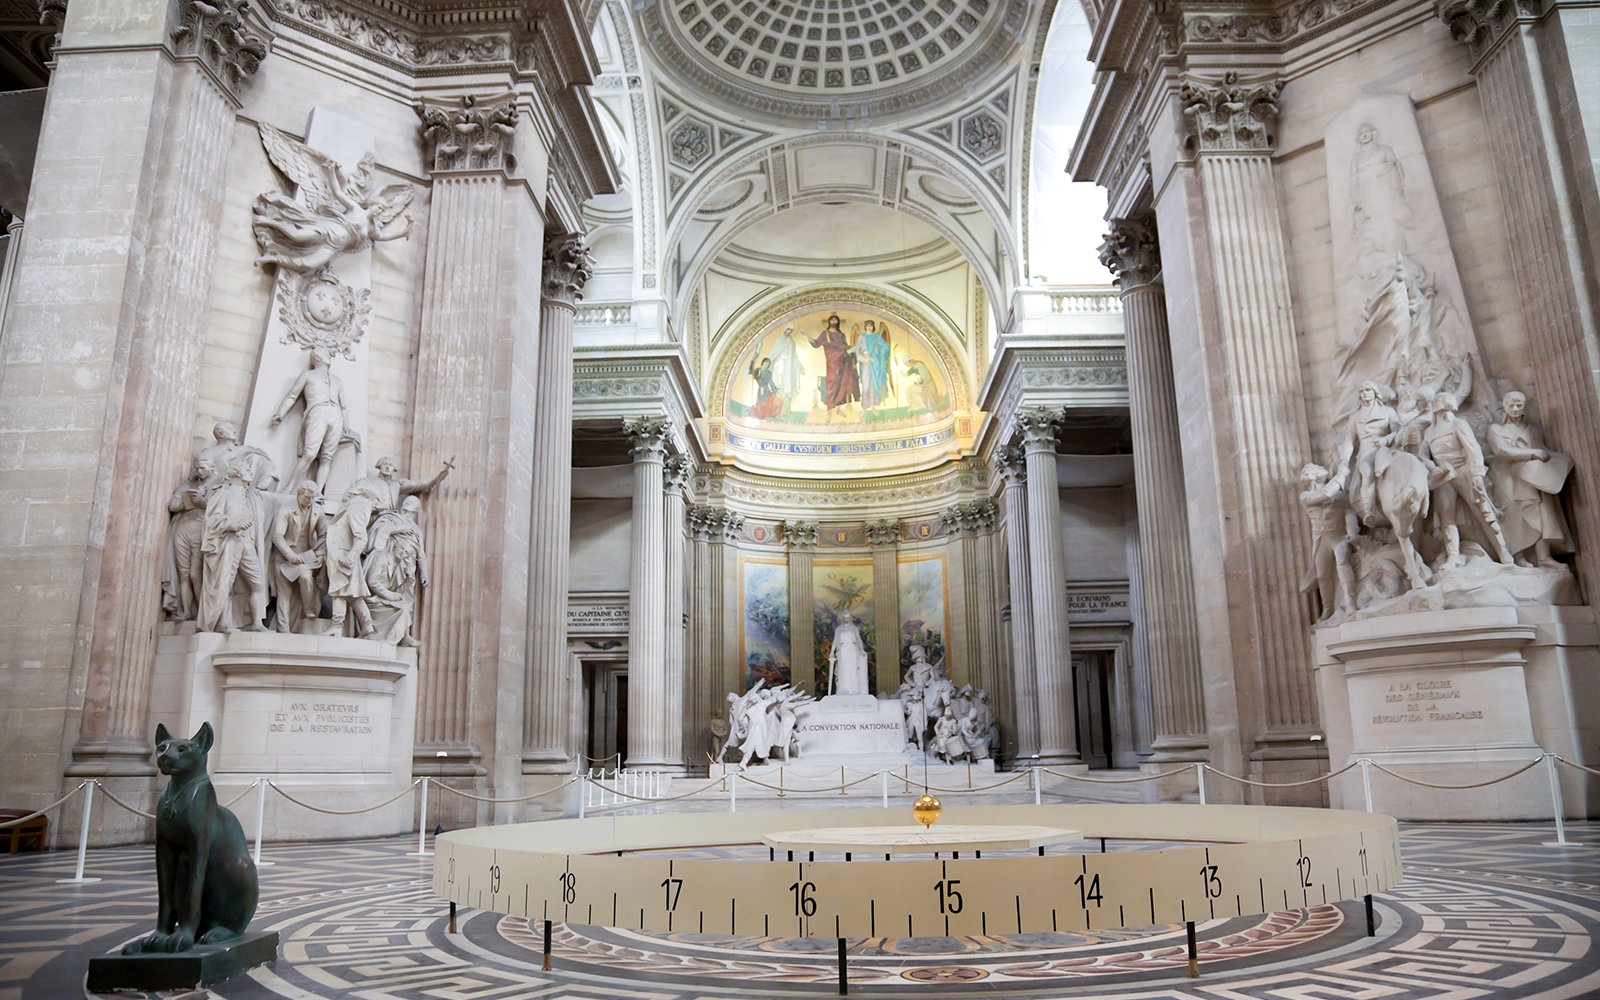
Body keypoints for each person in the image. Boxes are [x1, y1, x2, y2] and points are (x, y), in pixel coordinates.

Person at [1424, 392, 1514, 567]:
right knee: (1447, 518)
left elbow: (1473, 450)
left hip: (1463, 471)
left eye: (1437, 400)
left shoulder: (1458, 424)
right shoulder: (1429, 431)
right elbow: (1423, 453)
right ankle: (1453, 557)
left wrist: (1477, 474)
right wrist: (1432, 467)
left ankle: (1503, 551)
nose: (1434, 403)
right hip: (1444, 477)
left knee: (1483, 512)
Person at [1488, 391, 1572, 568]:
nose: (1515, 409)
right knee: (1514, 515)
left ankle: (1543, 556)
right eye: (1511, 405)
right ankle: (1519, 556)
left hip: (1530, 476)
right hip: (1507, 475)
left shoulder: (1531, 430)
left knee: (1539, 512)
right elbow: (1501, 451)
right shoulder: (1496, 429)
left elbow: (1542, 452)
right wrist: (1531, 453)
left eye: (1519, 405)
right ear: (1504, 406)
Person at [270, 348, 361, 491]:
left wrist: (346, 425)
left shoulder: (337, 381)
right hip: (318, 411)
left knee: (327, 457)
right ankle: (289, 486)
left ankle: (317, 492)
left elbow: (343, 406)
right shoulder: (308, 375)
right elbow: (292, 396)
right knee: (309, 454)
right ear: (317, 358)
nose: (329, 356)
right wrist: (280, 414)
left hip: (335, 415)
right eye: (325, 354)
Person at [199, 464, 269, 632]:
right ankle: (223, 622)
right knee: (226, 582)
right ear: (237, 472)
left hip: (247, 543)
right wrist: (233, 524)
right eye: (247, 469)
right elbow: (213, 518)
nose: (251, 472)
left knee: (258, 583)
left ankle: (257, 623)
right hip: (230, 541)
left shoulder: (252, 496)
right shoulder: (224, 492)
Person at [1298, 463, 1359, 621]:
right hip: (1321, 538)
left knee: (1343, 561)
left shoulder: (1339, 495)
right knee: (1323, 575)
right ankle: (1328, 608)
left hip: (1338, 535)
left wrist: (1352, 530)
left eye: (1307, 473)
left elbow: (1349, 512)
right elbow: (1325, 494)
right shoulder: (1305, 496)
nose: (1305, 477)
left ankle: (1350, 601)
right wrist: (1342, 474)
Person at [163, 457, 215, 621]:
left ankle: (203, 612)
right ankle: (185, 611)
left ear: (211, 467)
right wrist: (188, 502)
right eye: (197, 468)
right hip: (183, 527)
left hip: (201, 529)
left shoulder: (219, 482)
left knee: (195, 573)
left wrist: (202, 502)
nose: (199, 471)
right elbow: (172, 505)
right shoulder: (189, 484)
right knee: (183, 574)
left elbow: (222, 506)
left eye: (203, 468)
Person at [270, 480, 326, 631]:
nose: (310, 501)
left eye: (312, 497)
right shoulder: (286, 509)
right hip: (284, 557)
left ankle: (309, 608)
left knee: (306, 577)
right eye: (307, 497)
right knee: (284, 594)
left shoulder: (317, 510)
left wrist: (319, 552)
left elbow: (324, 535)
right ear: (299, 494)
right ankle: (283, 629)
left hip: (306, 557)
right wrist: (290, 555)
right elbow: (277, 536)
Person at [326, 481, 379, 637]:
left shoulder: (357, 506)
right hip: (343, 552)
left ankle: (337, 626)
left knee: (339, 590)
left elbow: (361, 537)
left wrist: (349, 557)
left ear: (360, 490)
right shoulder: (354, 506)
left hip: (344, 554)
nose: (350, 487)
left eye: (354, 485)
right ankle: (367, 625)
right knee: (352, 593)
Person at [808, 314, 860, 411]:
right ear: (829, 322)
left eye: (835, 320)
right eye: (832, 320)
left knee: (842, 384)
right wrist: (808, 336)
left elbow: (845, 346)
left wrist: (851, 352)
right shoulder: (825, 334)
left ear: (838, 322)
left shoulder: (841, 335)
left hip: (842, 362)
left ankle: (838, 409)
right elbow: (816, 344)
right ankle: (830, 410)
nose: (833, 322)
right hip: (832, 362)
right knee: (831, 384)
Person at [827, 610, 870, 696]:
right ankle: (843, 690)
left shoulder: (854, 629)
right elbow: (835, 641)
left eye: (848, 618)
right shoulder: (839, 629)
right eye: (845, 618)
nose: (846, 619)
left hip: (853, 650)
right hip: (842, 650)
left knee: (853, 670)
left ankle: (854, 690)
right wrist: (832, 652)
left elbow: (859, 640)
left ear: (850, 618)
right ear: (843, 618)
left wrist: (861, 650)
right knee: (843, 670)